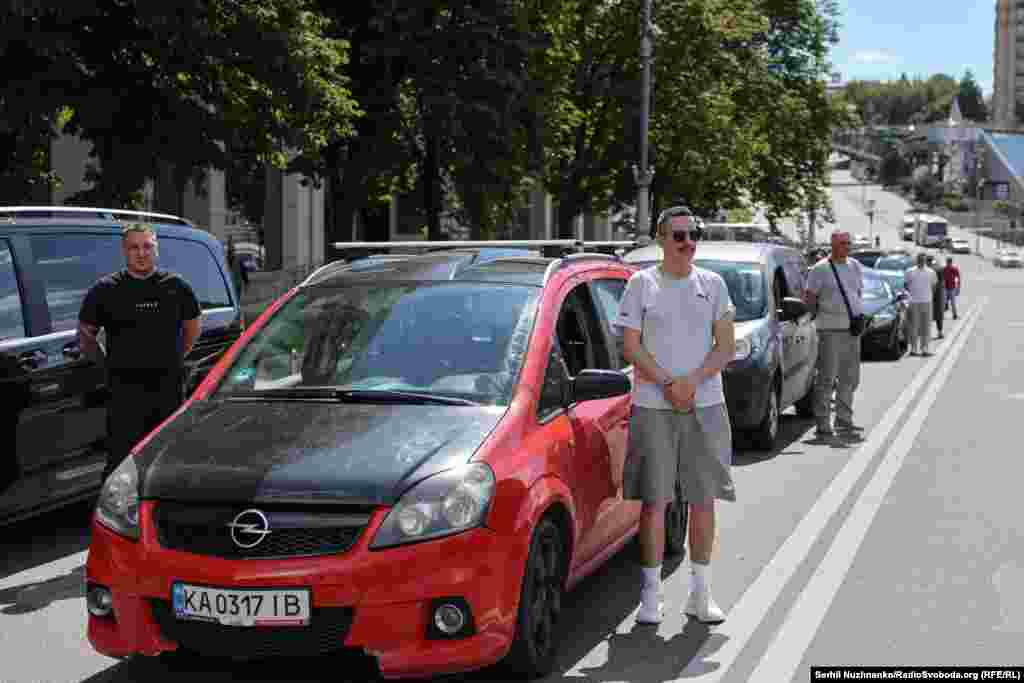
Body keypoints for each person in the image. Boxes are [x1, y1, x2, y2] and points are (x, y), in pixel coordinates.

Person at [615, 206, 736, 626]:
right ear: (661, 239)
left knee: (703, 501)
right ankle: (651, 595)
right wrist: (668, 384)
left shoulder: (714, 285)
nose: (688, 243)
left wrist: (692, 382)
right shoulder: (640, 284)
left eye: (692, 235)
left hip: (705, 406)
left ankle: (700, 593)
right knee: (655, 501)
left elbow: (725, 347)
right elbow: (631, 347)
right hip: (653, 407)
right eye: (678, 235)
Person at [78, 223, 202, 481]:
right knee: (121, 464)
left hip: (168, 391)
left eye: (147, 246)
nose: (141, 253)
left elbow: (193, 328)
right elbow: (86, 335)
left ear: (156, 249)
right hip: (124, 394)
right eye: (134, 247)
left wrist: (174, 358)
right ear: (124, 251)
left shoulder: (177, 287)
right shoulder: (106, 289)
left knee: (166, 458)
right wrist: (107, 366)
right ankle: (119, 516)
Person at [803, 231, 865, 439]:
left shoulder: (855, 266)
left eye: (848, 243)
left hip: (852, 330)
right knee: (827, 378)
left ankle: (843, 420)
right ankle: (823, 423)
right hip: (829, 330)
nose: (847, 247)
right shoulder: (820, 269)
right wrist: (811, 321)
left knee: (850, 378)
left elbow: (857, 293)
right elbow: (810, 297)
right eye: (842, 243)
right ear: (833, 245)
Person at [903, 252, 938, 356]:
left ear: (925, 260)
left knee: (926, 326)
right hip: (914, 302)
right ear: (916, 260)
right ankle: (914, 349)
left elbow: (934, 286)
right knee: (914, 326)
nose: (921, 261)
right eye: (919, 259)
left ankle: (925, 349)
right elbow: (905, 285)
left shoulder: (931, 272)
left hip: (927, 302)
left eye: (923, 260)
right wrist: (912, 295)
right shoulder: (910, 271)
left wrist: (928, 295)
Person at [928, 255, 945, 339]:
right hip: (938, 295)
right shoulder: (939, 269)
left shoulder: (926, 270)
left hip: (928, 294)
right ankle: (940, 332)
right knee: (938, 314)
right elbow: (942, 283)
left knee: (927, 315)